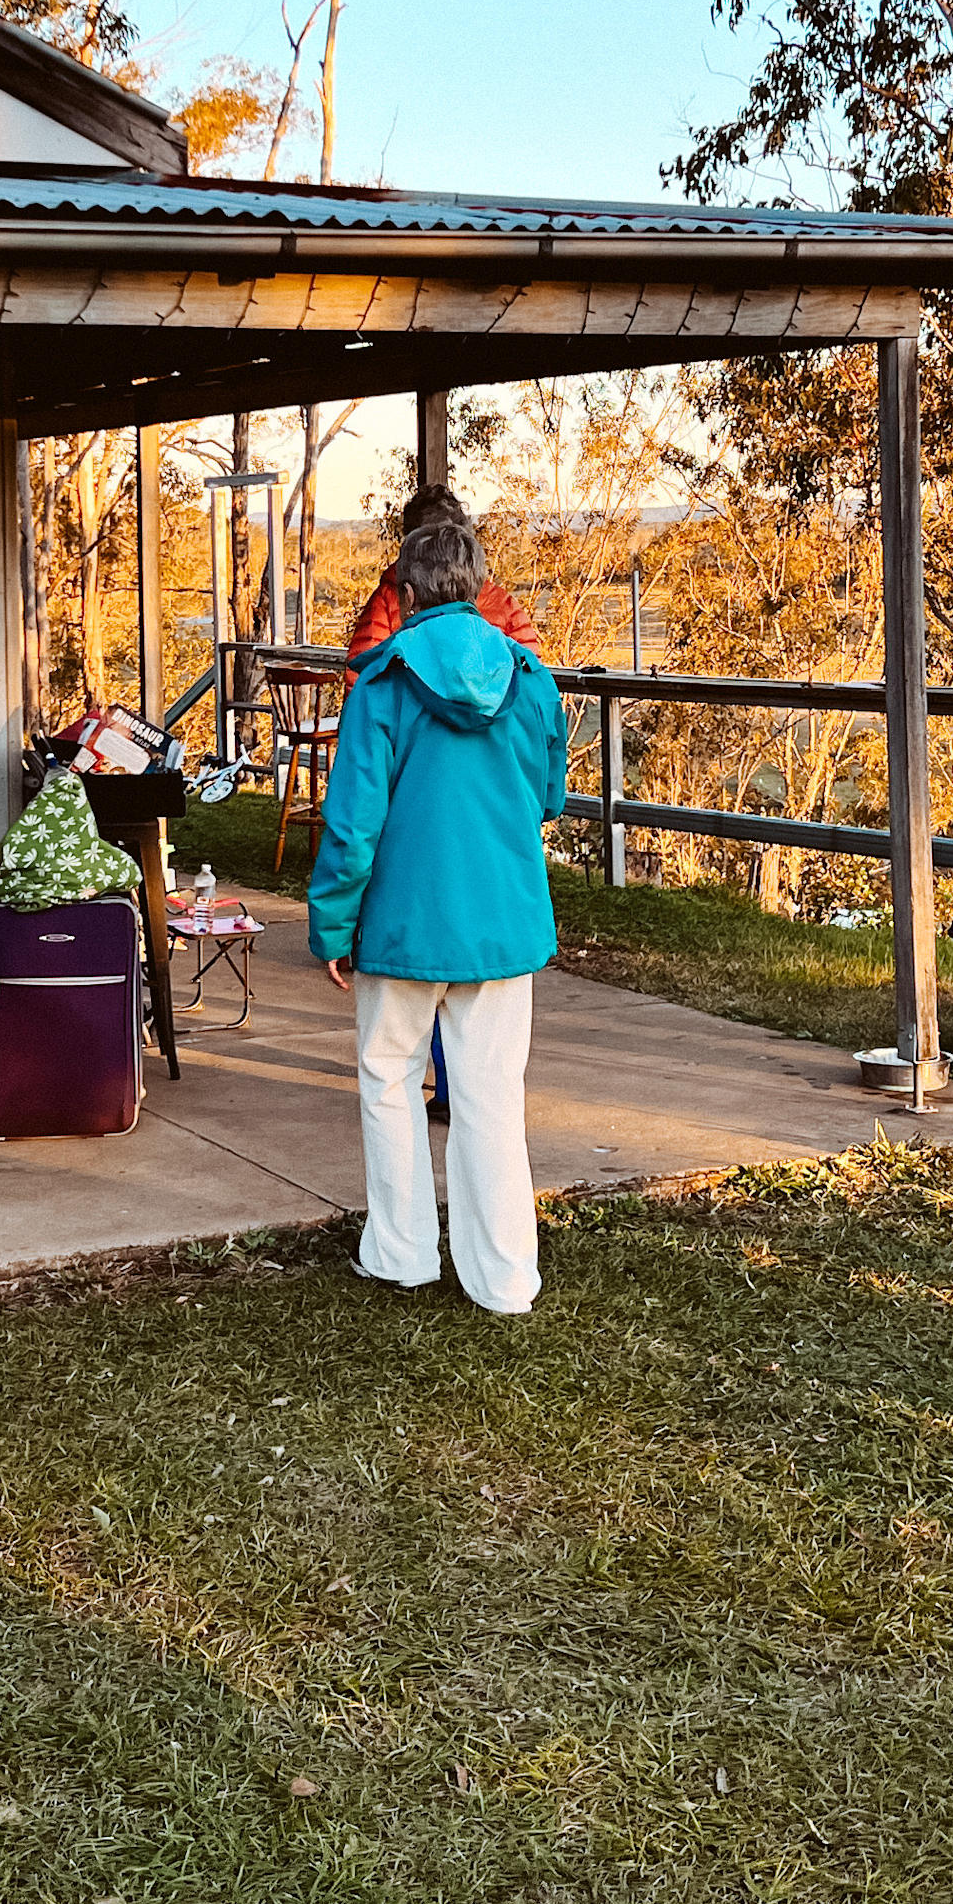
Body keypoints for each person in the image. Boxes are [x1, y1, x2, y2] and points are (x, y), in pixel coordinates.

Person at [306, 517, 575, 1315]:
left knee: (388, 1079)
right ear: (477, 586)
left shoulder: (381, 685)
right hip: (501, 917)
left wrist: (330, 926)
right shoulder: (528, 678)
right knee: (492, 1094)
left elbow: (353, 826)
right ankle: (504, 1279)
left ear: (407, 591)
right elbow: (550, 797)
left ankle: (402, 1254)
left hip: (401, 923)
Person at [341, 484, 543, 665]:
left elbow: (363, 681)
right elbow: (532, 683)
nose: (440, 550)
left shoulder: (504, 606)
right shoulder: (503, 605)